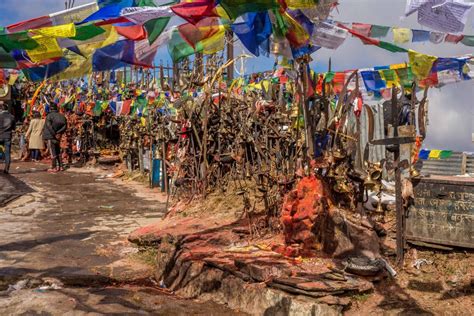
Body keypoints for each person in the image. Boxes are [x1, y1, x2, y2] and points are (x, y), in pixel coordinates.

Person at [43, 103, 67, 173]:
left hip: (51, 136)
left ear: (50, 108)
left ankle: (54, 167)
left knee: (52, 152)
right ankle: (61, 166)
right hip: (58, 137)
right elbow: (65, 126)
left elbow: (49, 126)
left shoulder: (49, 116)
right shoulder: (62, 116)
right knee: (58, 151)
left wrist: (54, 134)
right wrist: (59, 133)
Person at [0, 102, 16, 174]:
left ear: (1, 109)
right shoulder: (12, 117)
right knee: (7, 153)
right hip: (7, 136)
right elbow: (14, 128)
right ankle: (6, 169)